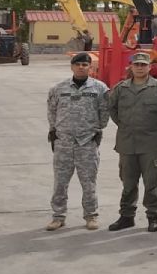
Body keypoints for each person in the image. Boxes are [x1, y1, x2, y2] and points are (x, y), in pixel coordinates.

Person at [107, 51, 157, 232]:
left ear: (149, 67)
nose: (140, 67)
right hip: (127, 143)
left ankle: (153, 216)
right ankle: (127, 216)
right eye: (137, 64)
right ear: (131, 67)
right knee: (128, 183)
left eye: (143, 65)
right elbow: (113, 111)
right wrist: (127, 126)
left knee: (152, 183)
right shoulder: (121, 89)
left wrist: (152, 128)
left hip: (151, 143)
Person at [46, 52, 110, 231]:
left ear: (90, 67)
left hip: (87, 143)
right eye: (77, 64)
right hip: (63, 143)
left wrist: (96, 130)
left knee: (89, 183)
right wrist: (55, 131)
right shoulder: (59, 88)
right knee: (60, 183)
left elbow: (104, 112)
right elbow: (52, 111)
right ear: (72, 67)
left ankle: (91, 215)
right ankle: (58, 216)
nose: (81, 67)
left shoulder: (100, 88)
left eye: (84, 64)